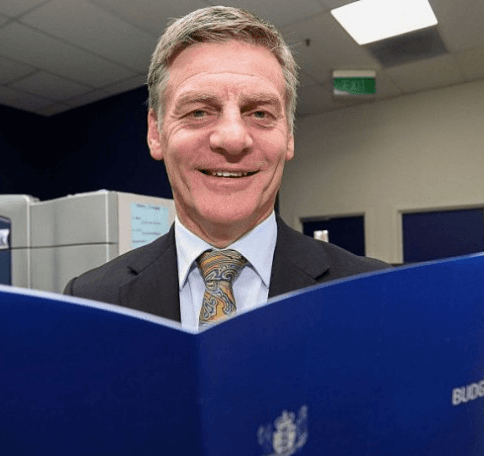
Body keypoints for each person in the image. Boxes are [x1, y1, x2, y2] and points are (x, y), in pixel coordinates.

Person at [64, 6, 387, 329]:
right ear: (155, 133)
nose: (232, 138)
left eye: (260, 113)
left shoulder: (376, 295)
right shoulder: (91, 300)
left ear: (288, 136)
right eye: (198, 112)